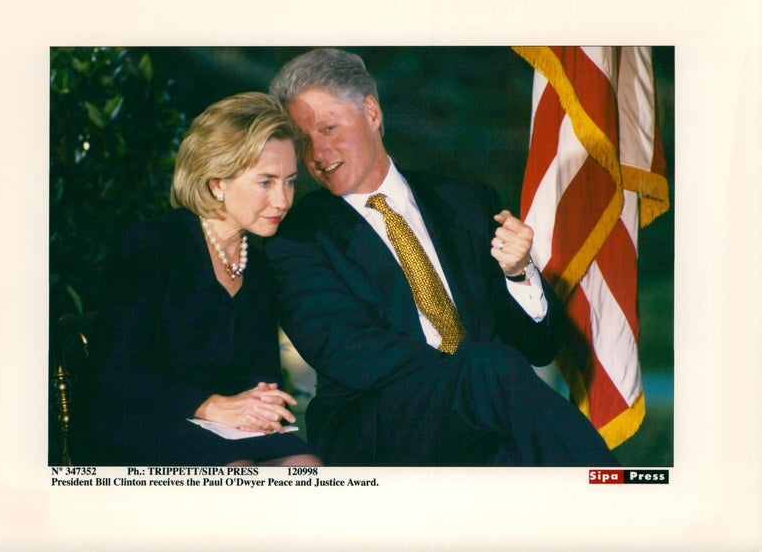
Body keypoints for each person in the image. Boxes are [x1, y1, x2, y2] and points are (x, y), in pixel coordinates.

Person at [265, 48, 619, 466]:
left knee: (513, 451)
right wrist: (470, 376)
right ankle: (614, 487)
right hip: (377, 424)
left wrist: (519, 273)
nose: (318, 155)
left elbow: (541, 347)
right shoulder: (298, 237)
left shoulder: (466, 202)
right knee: (491, 369)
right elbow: (350, 354)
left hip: (483, 416)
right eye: (304, 140)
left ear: (373, 114)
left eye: (329, 128)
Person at [74, 92, 321, 466]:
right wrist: (210, 406)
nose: (284, 200)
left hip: (221, 428)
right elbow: (117, 373)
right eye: (266, 182)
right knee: (238, 475)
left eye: (289, 181)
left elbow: (262, 373)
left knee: (304, 466)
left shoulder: (259, 263)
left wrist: (263, 399)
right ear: (216, 183)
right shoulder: (154, 246)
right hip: (140, 423)